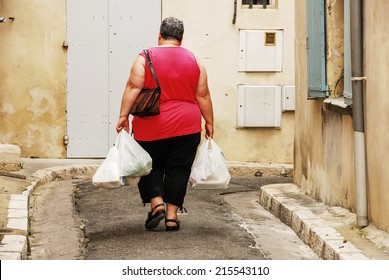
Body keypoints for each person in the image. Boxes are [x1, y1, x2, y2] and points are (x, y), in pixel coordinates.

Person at [116, 17, 214, 231]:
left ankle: (156, 203)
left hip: (151, 125)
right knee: (179, 169)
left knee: (147, 164)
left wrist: (123, 116)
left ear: (159, 36)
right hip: (187, 125)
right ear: (181, 38)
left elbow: (133, 87)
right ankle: (171, 217)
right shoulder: (195, 60)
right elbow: (203, 94)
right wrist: (209, 121)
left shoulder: (144, 58)